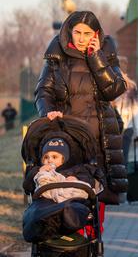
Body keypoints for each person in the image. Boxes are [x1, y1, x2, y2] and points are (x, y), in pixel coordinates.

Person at [34, 11, 127, 212]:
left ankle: (94, 236)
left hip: (99, 137)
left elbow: (114, 90)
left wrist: (96, 57)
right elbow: (43, 91)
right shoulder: (56, 57)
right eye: (78, 33)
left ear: (95, 34)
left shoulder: (106, 54)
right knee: (67, 187)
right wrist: (48, 112)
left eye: (87, 34)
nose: (82, 39)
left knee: (98, 192)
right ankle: (72, 230)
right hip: (68, 137)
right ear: (69, 31)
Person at [25, 138, 98, 203]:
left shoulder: (76, 169)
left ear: (64, 159)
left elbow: (90, 181)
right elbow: (27, 187)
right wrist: (38, 171)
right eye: (46, 157)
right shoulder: (39, 170)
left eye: (54, 157)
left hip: (71, 201)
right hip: (46, 203)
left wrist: (77, 179)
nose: (50, 160)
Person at [111, 58, 138, 163]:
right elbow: (137, 111)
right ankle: (124, 179)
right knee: (123, 158)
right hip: (126, 128)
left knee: (116, 159)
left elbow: (136, 110)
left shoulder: (112, 84)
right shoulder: (131, 86)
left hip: (116, 128)